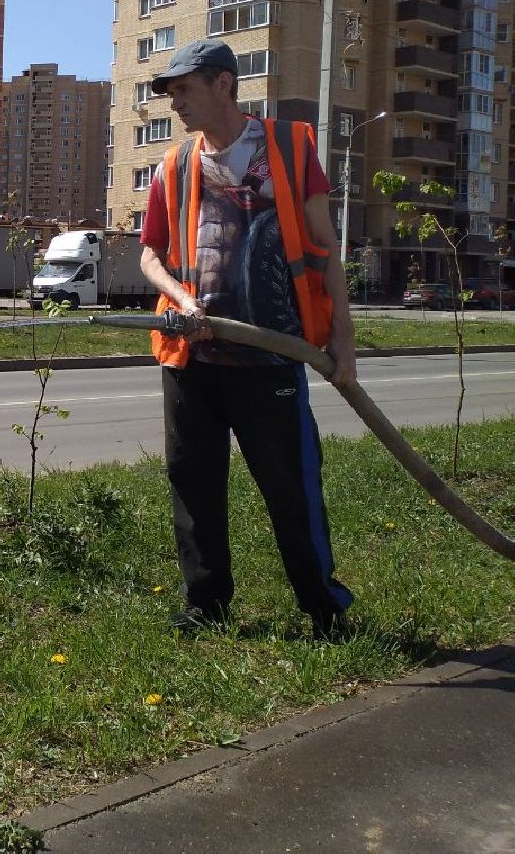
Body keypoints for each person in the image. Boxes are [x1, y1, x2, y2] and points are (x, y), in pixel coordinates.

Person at [137, 39, 358, 641]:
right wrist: (179, 298)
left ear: (224, 84)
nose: (175, 103)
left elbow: (325, 248)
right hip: (190, 353)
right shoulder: (173, 166)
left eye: (183, 89)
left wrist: (343, 340)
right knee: (193, 479)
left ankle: (324, 608)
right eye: (172, 92)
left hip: (271, 352)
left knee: (290, 484)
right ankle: (206, 603)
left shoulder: (289, 147)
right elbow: (151, 254)